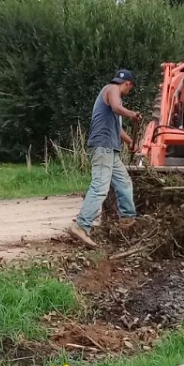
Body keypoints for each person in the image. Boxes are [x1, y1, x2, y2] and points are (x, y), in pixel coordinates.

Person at [68, 69, 142, 249]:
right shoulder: (112, 89)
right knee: (100, 186)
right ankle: (81, 225)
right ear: (127, 84)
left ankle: (128, 218)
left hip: (111, 150)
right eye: (129, 88)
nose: (127, 91)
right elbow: (118, 108)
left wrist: (131, 142)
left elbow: (118, 129)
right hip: (102, 147)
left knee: (124, 182)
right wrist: (132, 114)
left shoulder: (113, 100)